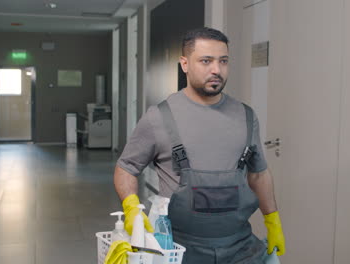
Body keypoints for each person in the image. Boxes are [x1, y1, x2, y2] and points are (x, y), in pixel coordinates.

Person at [114, 27, 285, 264]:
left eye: (223, 61)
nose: (216, 70)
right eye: (206, 61)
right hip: (179, 250)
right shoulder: (159, 117)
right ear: (185, 64)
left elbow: (259, 175)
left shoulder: (246, 116)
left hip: (240, 248)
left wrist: (272, 220)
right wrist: (131, 206)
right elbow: (126, 167)